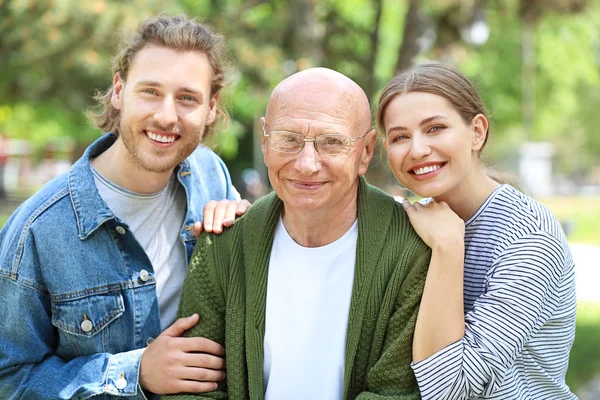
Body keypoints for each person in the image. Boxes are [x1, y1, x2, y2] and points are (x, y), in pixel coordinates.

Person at [0, 14, 249, 399]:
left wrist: (246, 221)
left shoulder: (210, 175)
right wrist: (135, 372)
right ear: (119, 91)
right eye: (150, 91)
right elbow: (9, 380)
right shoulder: (37, 230)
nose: (167, 116)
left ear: (211, 108)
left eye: (187, 98)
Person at [164, 67, 431, 400]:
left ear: (365, 152)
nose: (306, 164)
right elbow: (193, 392)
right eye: (288, 139)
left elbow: (395, 393)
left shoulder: (411, 250)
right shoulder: (223, 245)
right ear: (265, 141)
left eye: (331, 143)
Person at [377, 63, 577, 399]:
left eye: (435, 128)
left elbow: (450, 388)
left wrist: (449, 247)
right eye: (400, 136)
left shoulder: (529, 238)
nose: (417, 149)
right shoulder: (408, 220)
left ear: (477, 132)